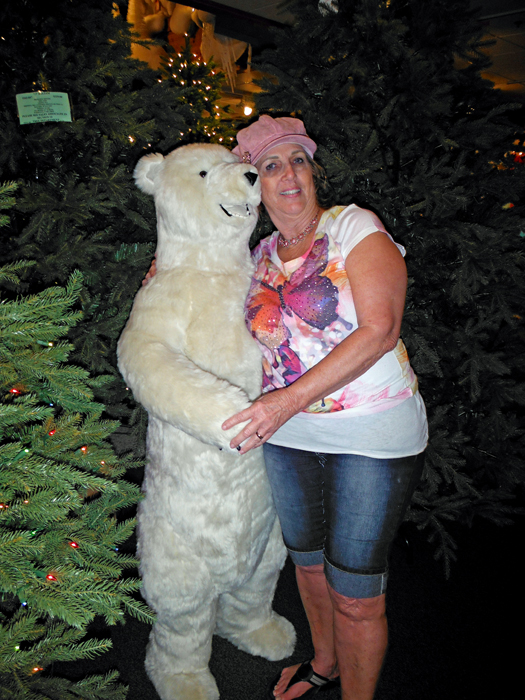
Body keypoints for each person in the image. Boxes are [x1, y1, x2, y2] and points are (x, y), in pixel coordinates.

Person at [218, 115, 428, 700]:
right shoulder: (256, 256)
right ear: (254, 183)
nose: (288, 174)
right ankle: (325, 664)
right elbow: (205, 296)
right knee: (307, 567)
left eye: (298, 160)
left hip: (371, 431)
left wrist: (283, 403)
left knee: (355, 594)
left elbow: (380, 330)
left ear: (313, 172)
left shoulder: (353, 228)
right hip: (290, 437)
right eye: (270, 165)